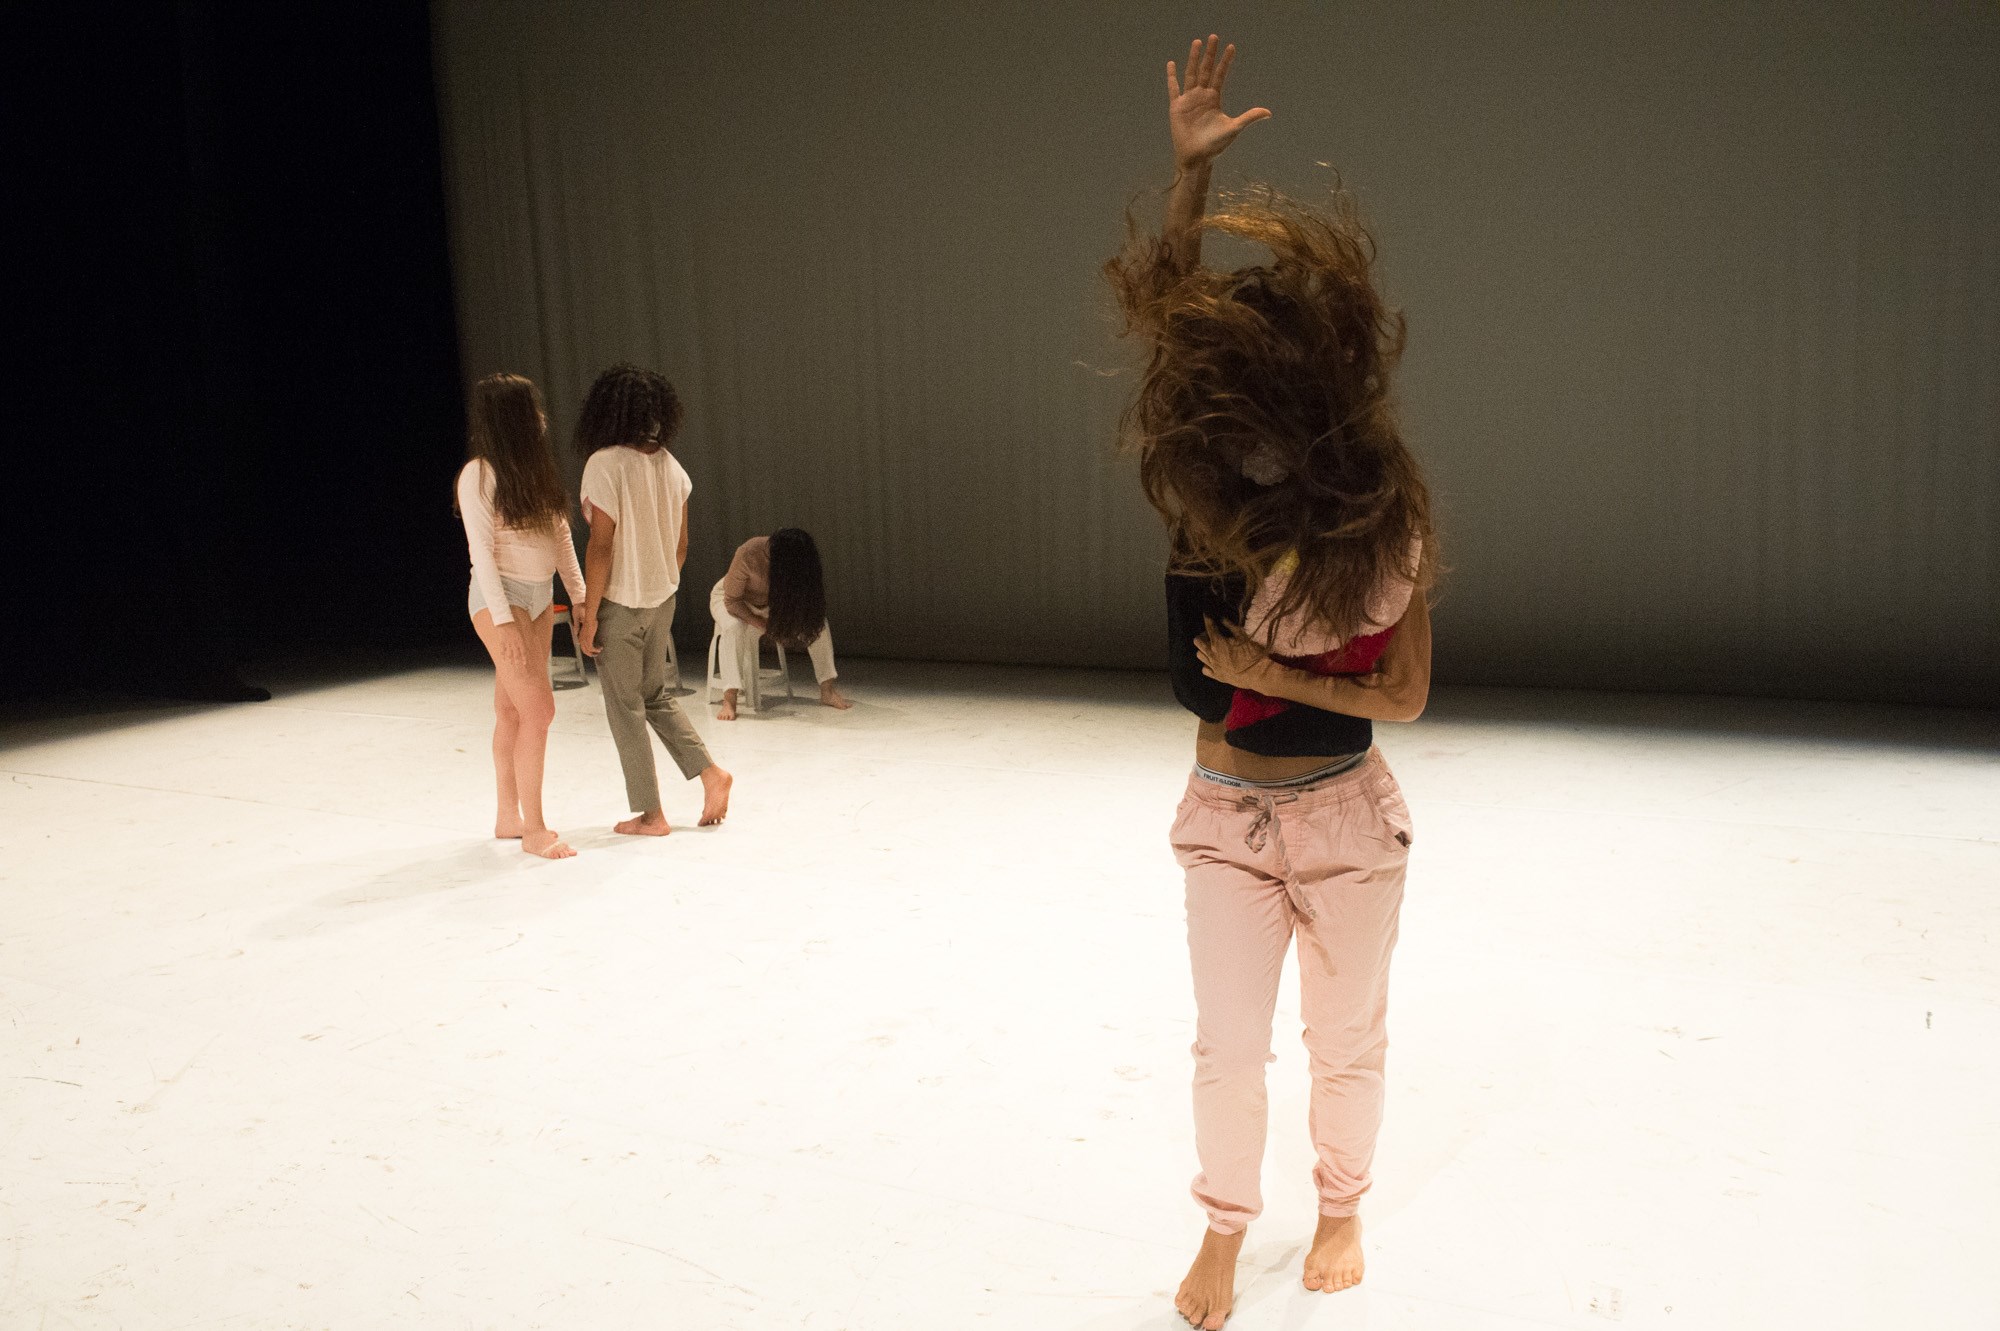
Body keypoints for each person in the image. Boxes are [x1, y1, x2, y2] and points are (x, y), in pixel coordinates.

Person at [1104, 36, 1438, 1330]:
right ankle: (1223, 1223)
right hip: (1225, 813)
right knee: (1226, 1046)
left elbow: (1403, 695)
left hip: (1346, 813)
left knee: (1345, 1041)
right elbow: (1172, 350)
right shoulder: (1210, 502)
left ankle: (1340, 1201)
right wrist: (1187, 179)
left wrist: (1269, 669)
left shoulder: (1382, 518)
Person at [574, 364, 733, 834]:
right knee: (654, 696)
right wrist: (660, 583)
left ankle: (651, 814)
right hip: (662, 599)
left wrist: (589, 614)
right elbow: (681, 545)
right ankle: (711, 772)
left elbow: (601, 546)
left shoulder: (604, 464)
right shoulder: (672, 467)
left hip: (619, 604)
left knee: (626, 708)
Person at [455, 373, 587, 860]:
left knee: (512, 710)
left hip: (537, 597)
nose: (541, 417)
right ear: (513, 418)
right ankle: (534, 828)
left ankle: (507, 816)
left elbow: (560, 537)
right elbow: (481, 554)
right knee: (539, 710)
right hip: (501, 599)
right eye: (532, 409)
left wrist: (579, 597)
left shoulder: (536, 471)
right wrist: (504, 620)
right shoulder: (479, 475)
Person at [709, 528, 851, 720]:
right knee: (733, 627)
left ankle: (828, 690)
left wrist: (790, 619)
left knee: (818, 623)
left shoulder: (793, 560)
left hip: (770, 603)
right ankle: (730, 698)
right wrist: (762, 624)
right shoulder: (749, 552)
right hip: (734, 599)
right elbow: (732, 601)